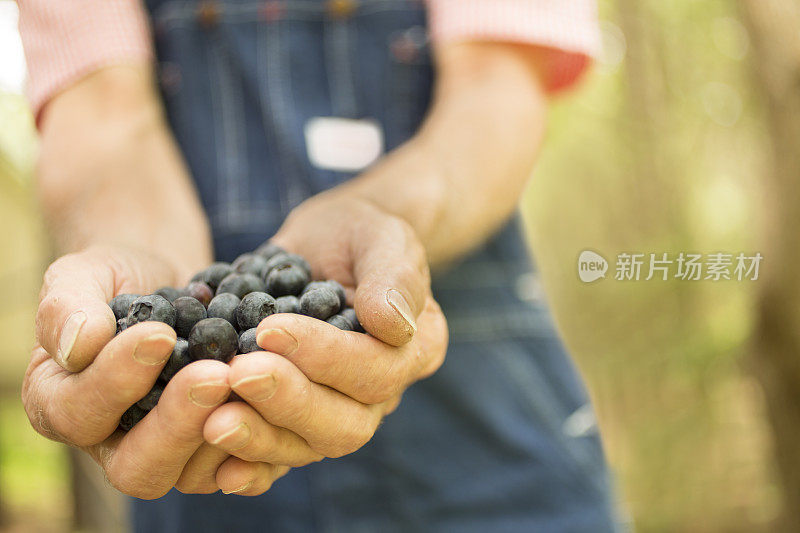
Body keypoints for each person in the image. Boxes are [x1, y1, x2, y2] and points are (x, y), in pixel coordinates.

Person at [18, 0, 619, 531]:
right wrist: (132, 246)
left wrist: (378, 213)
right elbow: (104, 118)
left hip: (486, 422)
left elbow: (495, 95)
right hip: (200, 447)